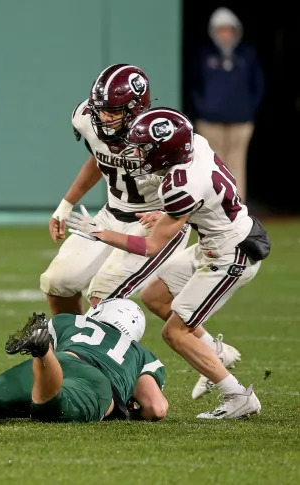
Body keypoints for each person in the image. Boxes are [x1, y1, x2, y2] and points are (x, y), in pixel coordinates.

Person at [66, 107, 269, 419]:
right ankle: (213, 352)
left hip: (231, 254)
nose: (136, 153)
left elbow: (151, 245)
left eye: (144, 148)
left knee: (175, 333)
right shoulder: (195, 146)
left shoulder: (180, 184)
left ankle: (238, 396)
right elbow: (201, 194)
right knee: (155, 295)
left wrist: (101, 232)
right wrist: (168, 213)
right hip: (218, 238)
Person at [41, 64, 190, 316]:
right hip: (110, 216)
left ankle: (211, 348)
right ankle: (69, 344)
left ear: (136, 107)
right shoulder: (87, 118)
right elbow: (100, 160)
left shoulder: (160, 134)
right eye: (100, 110)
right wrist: (65, 205)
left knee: (104, 295)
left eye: (113, 112)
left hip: (154, 222)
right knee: (57, 283)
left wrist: (169, 214)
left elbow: (191, 184)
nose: (104, 118)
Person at [0, 299, 167, 423]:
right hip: (96, 380)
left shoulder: (68, 321)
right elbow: (156, 408)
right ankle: (42, 353)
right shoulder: (138, 352)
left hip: (61, 359)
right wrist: (128, 412)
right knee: (53, 409)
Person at [191, 7, 264, 202]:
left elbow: (257, 85)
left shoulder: (246, 55)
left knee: (237, 163)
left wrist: (248, 109)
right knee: (214, 163)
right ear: (213, 32)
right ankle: (215, 204)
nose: (225, 34)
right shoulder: (204, 55)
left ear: (235, 31)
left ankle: (237, 205)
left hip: (241, 120)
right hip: (210, 120)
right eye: (221, 30)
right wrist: (204, 107)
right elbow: (194, 84)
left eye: (229, 30)